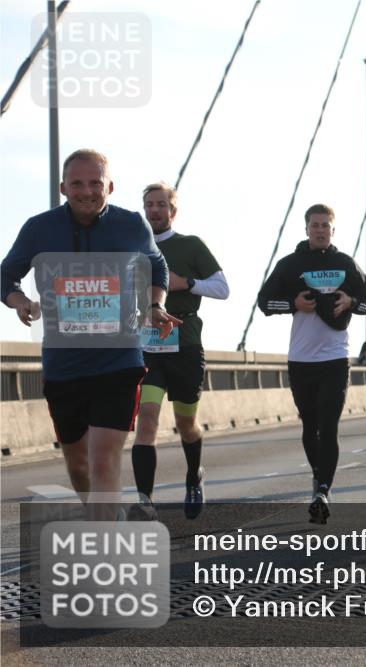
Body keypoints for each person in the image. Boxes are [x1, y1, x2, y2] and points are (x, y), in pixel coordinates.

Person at [1, 149, 177, 517]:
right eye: (77, 183)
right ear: (63, 187)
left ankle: (104, 542)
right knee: (80, 467)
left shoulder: (131, 225)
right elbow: (6, 276)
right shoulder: (39, 228)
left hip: (119, 360)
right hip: (63, 365)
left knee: (102, 461)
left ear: (109, 187)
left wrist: (155, 304)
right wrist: (20, 302)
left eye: (95, 183)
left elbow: (157, 265)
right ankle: (105, 516)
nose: (87, 191)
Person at [256, 203, 366, 524]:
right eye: (315, 225)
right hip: (301, 359)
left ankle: (322, 490)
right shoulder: (290, 264)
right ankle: (319, 476)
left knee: (329, 425)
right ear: (307, 229)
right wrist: (292, 304)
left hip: (335, 358)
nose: (320, 230)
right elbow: (264, 302)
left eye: (325, 225)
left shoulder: (345, 263)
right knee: (310, 426)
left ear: (333, 230)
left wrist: (351, 301)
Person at [130, 182, 230, 521]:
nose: (155, 210)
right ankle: (145, 501)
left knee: (186, 423)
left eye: (161, 204)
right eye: (149, 204)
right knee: (147, 419)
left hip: (185, 345)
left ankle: (194, 475)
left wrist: (185, 283)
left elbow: (222, 288)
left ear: (173, 210)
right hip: (147, 348)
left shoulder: (191, 245)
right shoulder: (133, 248)